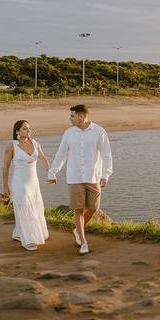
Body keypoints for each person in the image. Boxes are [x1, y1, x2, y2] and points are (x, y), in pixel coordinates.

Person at [47, 104, 113, 255]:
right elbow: (61, 153)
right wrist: (53, 172)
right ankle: (83, 241)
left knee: (93, 207)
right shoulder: (69, 133)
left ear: (82, 116)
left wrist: (105, 174)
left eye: (72, 116)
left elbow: (107, 154)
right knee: (77, 209)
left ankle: (77, 230)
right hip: (74, 176)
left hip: (93, 176)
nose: (70, 119)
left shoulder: (99, 132)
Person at [2, 120, 50, 251]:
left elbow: (43, 158)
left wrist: (50, 173)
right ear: (17, 131)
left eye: (29, 128)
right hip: (19, 183)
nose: (28, 130)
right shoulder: (11, 146)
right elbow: (6, 167)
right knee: (24, 208)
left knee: (35, 207)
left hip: (34, 183)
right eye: (24, 129)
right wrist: (5, 187)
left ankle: (18, 233)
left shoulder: (35, 143)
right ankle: (28, 239)